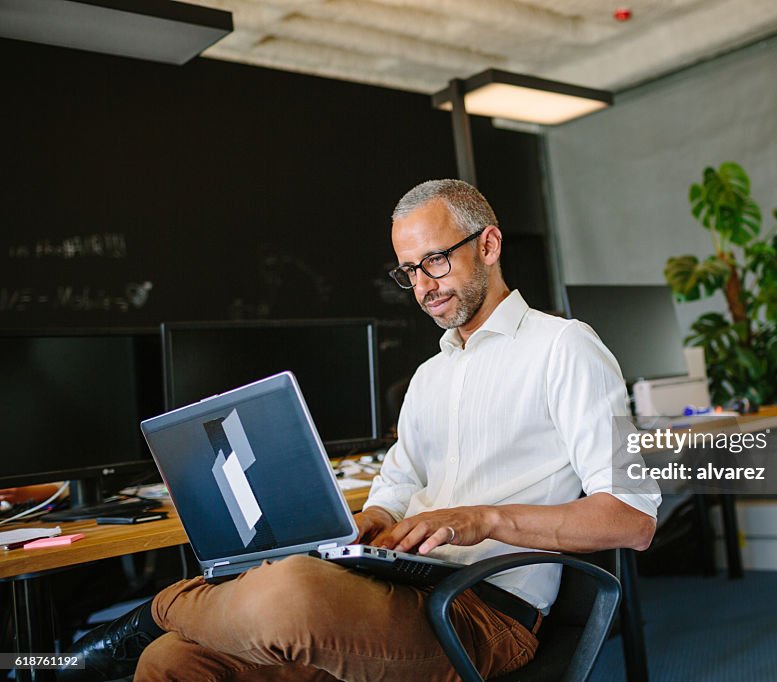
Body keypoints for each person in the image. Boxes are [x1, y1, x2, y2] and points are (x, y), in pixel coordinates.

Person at [65, 179, 660, 681]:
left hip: (484, 611)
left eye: (435, 260)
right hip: (402, 587)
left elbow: (631, 519)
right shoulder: (431, 374)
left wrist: (485, 518)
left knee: (285, 593)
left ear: (489, 244)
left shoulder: (566, 347)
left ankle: (160, 607)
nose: (424, 286)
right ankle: (164, 621)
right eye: (409, 271)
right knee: (176, 662)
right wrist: (369, 524)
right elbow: (396, 487)